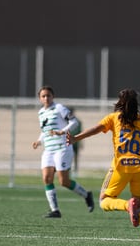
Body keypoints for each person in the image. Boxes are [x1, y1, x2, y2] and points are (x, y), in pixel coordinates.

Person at [66, 88, 140, 243]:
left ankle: (127, 205)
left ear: (119, 102)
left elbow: (96, 129)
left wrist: (76, 138)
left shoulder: (114, 118)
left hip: (122, 166)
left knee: (104, 200)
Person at [32, 86, 94, 218]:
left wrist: (62, 131)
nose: (46, 98)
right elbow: (44, 130)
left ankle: (86, 195)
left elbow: (74, 122)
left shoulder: (59, 108)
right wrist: (39, 141)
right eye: (43, 96)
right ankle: (55, 210)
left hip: (62, 148)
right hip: (48, 149)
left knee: (63, 181)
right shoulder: (41, 112)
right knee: (46, 178)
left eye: (48, 95)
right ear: (40, 98)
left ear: (53, 96)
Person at [69, 108, 82, 176]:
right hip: (69, 142)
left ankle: (76, 170)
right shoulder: (67, 121)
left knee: (76, 157)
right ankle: (69, 170)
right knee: (69, 157)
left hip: (76, 142)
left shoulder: (78, 122)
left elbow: (80, 132)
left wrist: (81, 142)